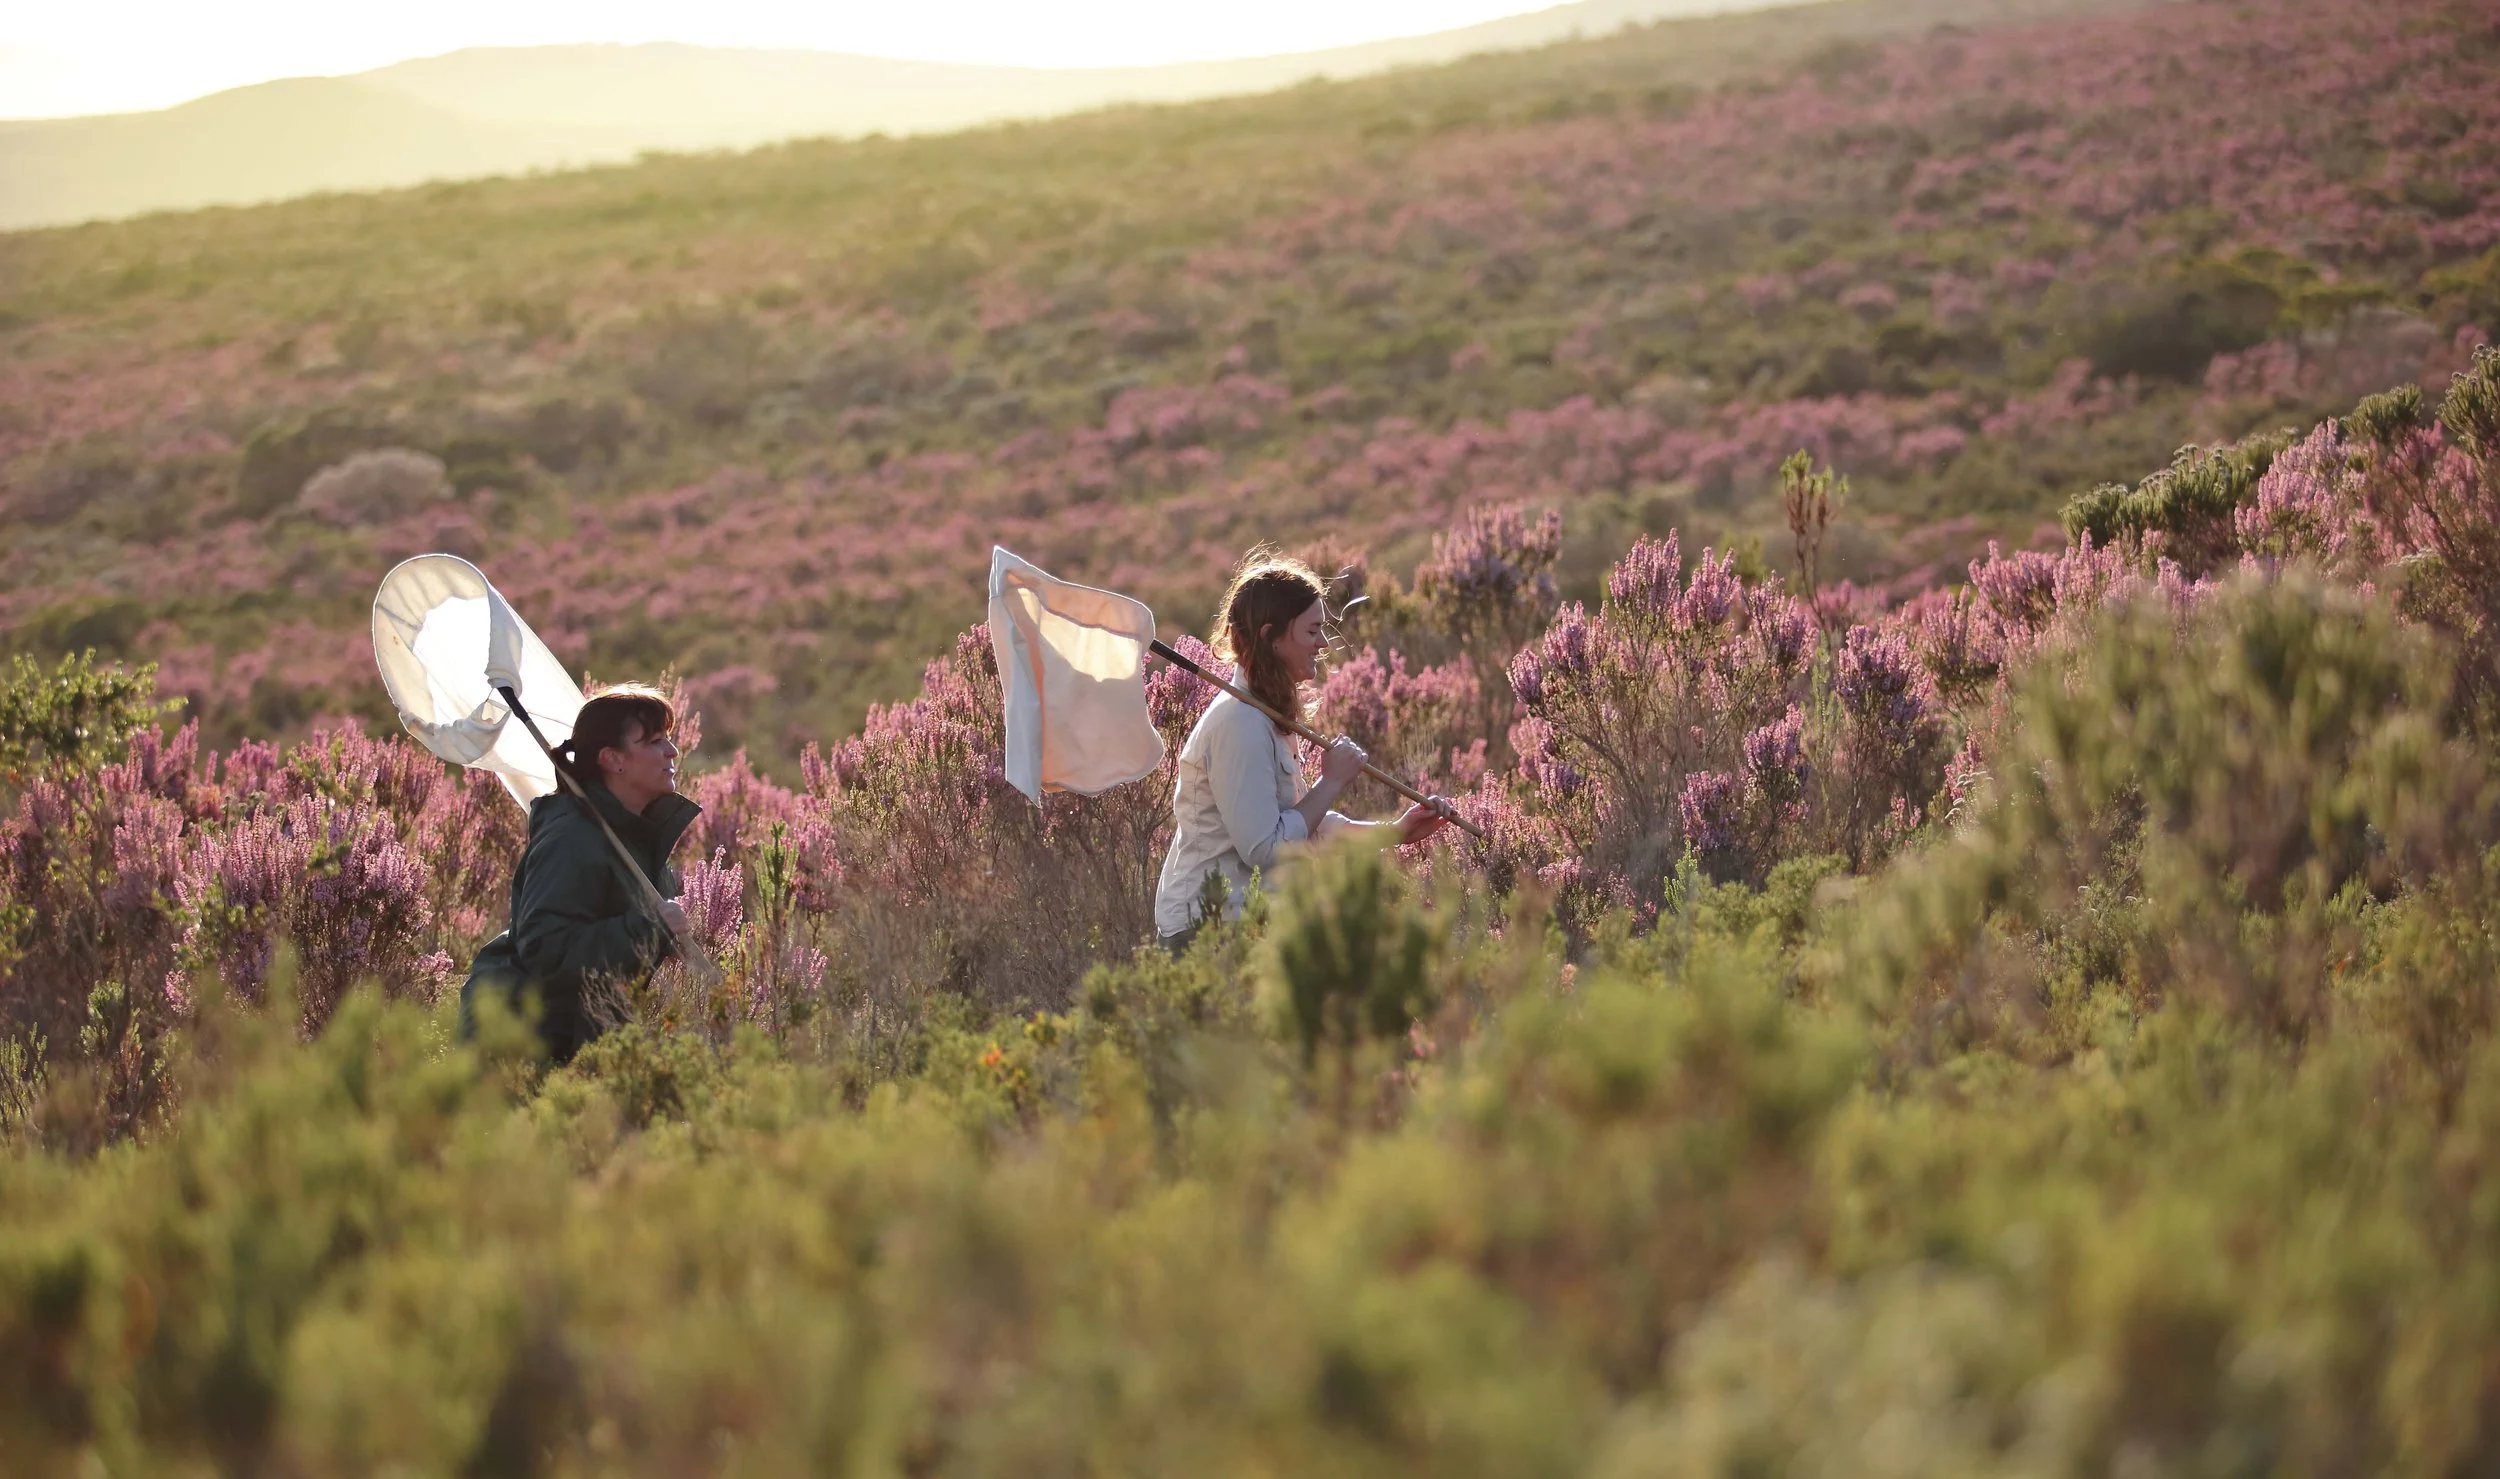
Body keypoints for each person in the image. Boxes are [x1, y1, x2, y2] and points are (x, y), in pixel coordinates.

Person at [1154, 553, 1452, 951]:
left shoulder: (1265, 715)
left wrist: (1393, 832)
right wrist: (1331, 780)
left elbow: (1302, 824)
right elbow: (1268, 849)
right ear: (1270, 637)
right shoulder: (1239, 724)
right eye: (1312, 631)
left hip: (1245, 923)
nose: (1323, 644)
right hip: (1207, 931)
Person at [460, 683, 700, 1063]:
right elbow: (546, 949)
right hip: (519, 1040)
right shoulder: (571, 837)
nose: (671, 751)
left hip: (578, 1038)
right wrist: (648, 928)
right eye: (654, 741)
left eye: (667, 739)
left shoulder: (633, 837)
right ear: (613, 759)